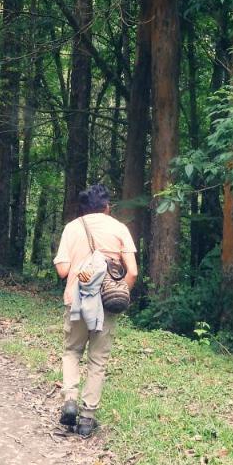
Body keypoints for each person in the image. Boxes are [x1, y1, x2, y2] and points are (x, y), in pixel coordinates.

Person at [53, 183, 138, 438]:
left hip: (76, 301)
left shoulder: (72, 228)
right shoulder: (119, 228)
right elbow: (132, 271)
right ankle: (87, 419)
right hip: (106, 304)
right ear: (107, 207)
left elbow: (62, 271)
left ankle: (70, 399)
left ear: (82, 208)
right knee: (98, 360)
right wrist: (119, 294)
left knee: (72, 351)